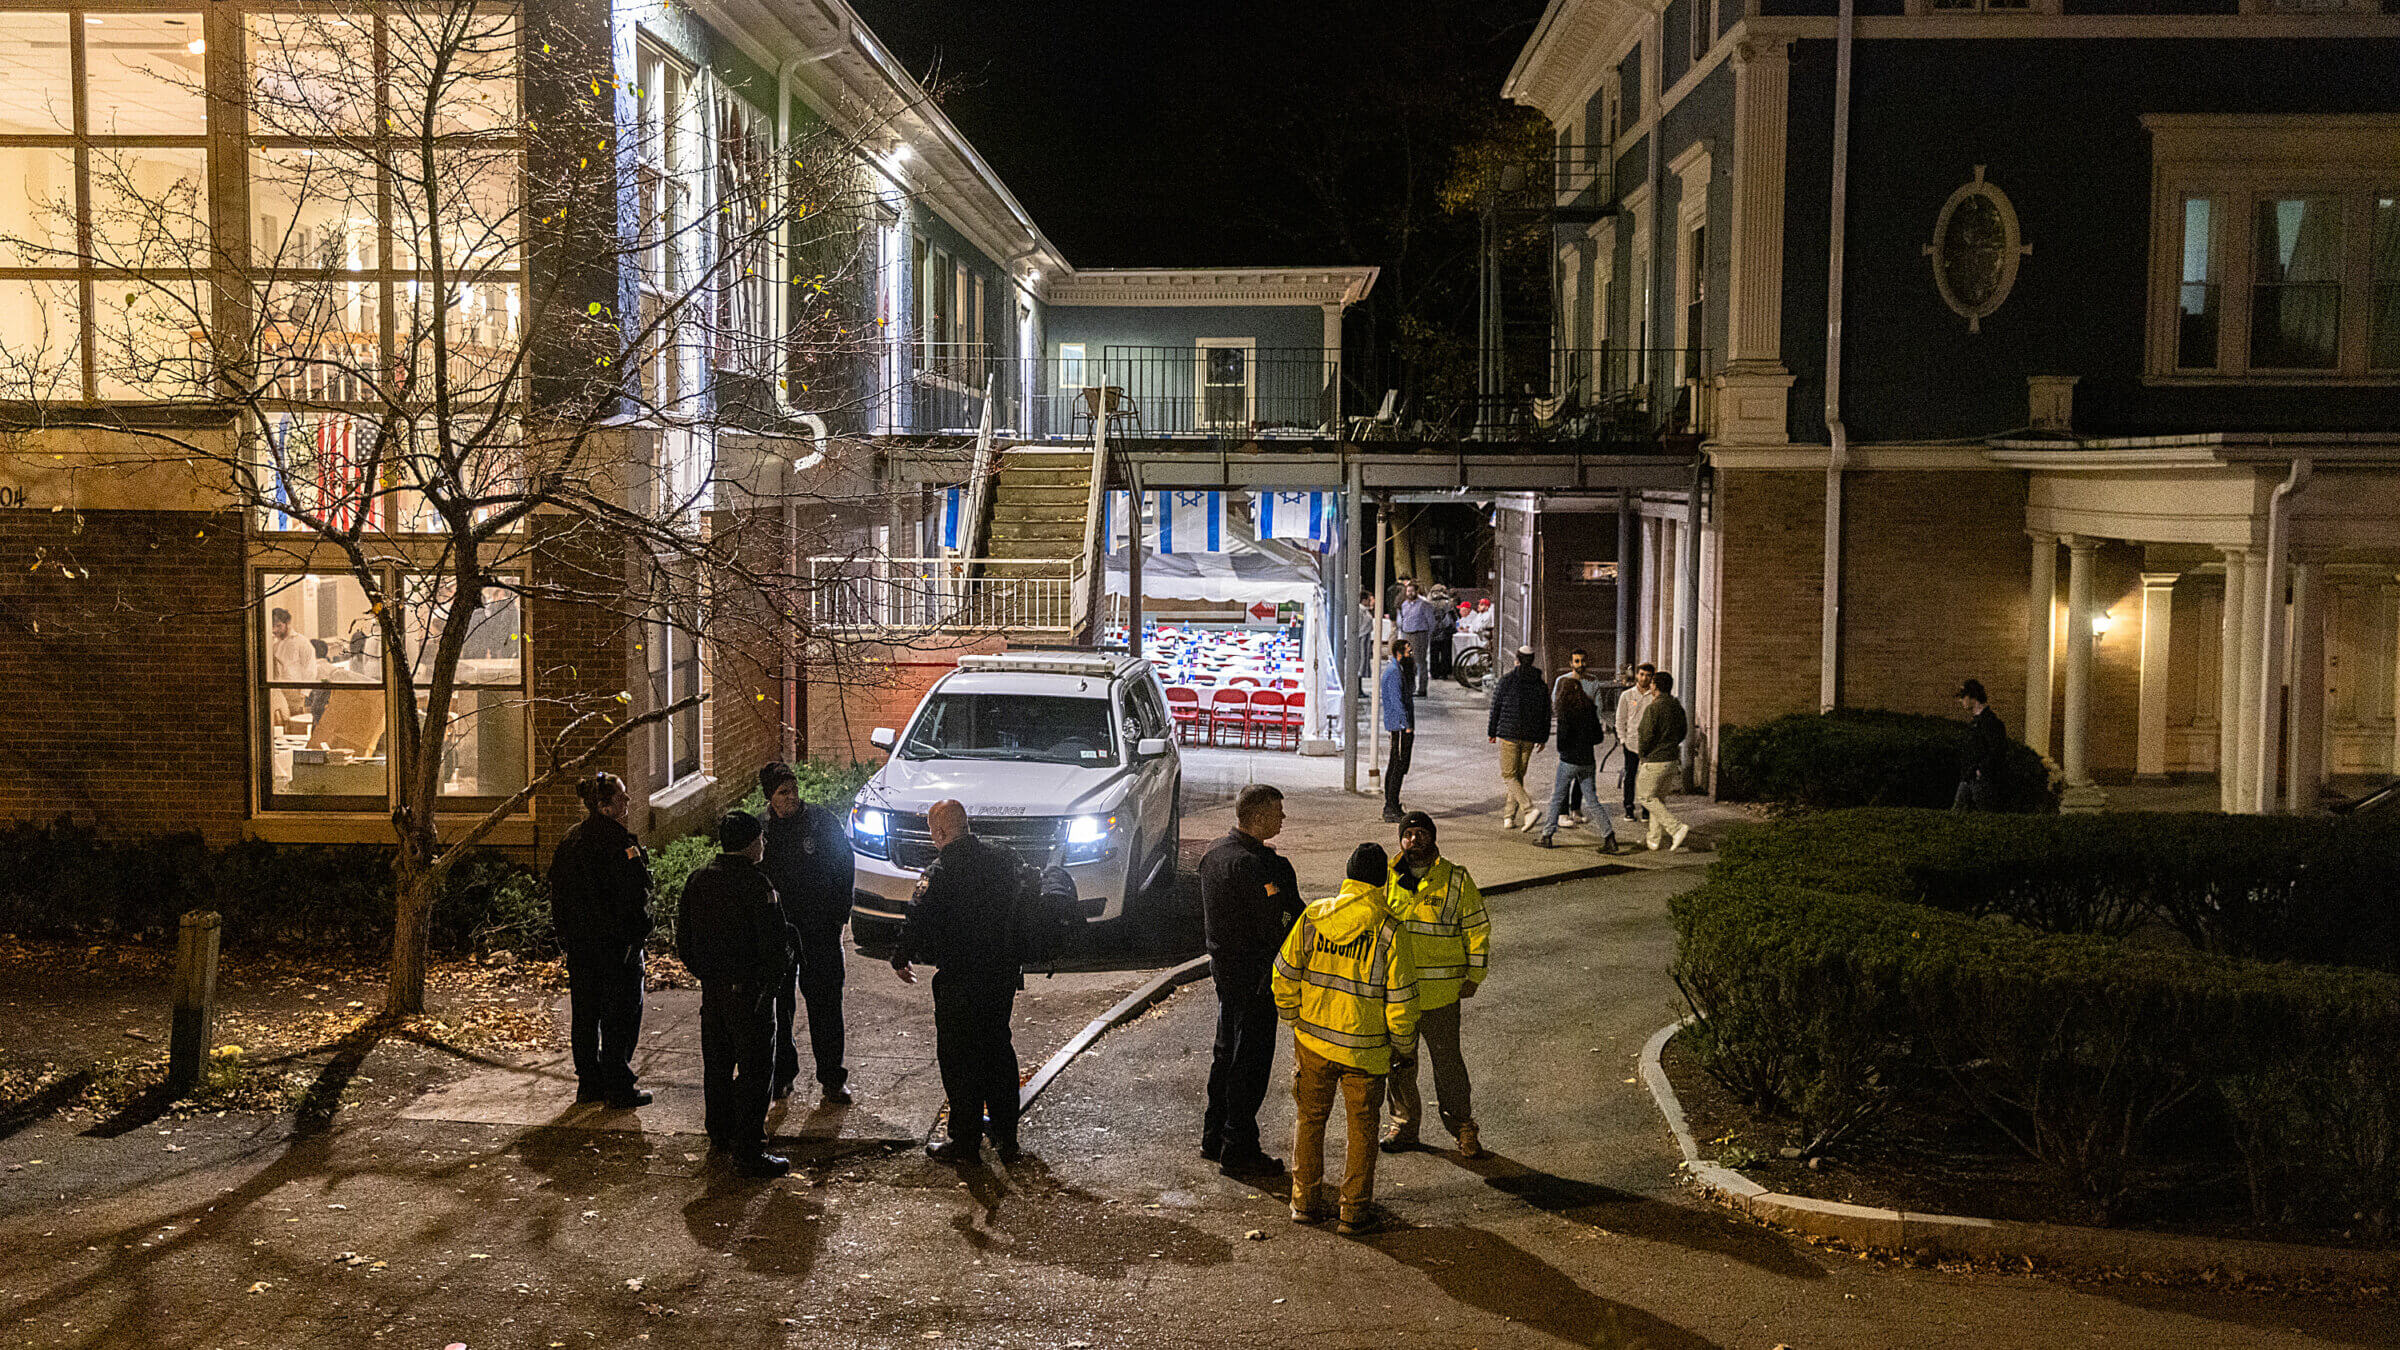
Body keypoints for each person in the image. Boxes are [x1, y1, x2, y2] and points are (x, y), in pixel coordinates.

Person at [1273, 842, 1418, 1235]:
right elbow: (1401, 1003)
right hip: (1365, 1051)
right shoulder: (1390, 930)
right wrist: (1403, 1048)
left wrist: (1293, 1019)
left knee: (1309, 1121)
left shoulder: (1314, 916)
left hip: (1313, 1043)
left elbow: (1284, 973)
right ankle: (1353, 1213)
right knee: (1363, 1130)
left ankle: (1304, 1202)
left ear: (1348, 875)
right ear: (1381, 881)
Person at [893, 799, 1031, 1163]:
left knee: (960, 1059)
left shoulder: (940, 872)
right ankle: (1006, 1135)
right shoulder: (1003, 859)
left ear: (939, 832)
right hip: (1000, 975)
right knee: (999, 1050)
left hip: (959, 981)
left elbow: (916, 918)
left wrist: (900, 955)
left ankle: (965, 1141)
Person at [675, 811, 791, 1178]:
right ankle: (749, 1150)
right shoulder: (758, 886)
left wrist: (707, 975)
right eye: (761, 838)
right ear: (750, 843)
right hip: (750, 995)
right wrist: (771, 981)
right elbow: (773, 944)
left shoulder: (698, 881)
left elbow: (685, 941)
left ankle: (720, 1132)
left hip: (714, 993)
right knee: (756, 1071)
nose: (765, 844)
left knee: (719, 1066)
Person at [1197, 784, 1304, 1176]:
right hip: (1257, 979)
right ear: (1257, 816)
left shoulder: (1213, 855)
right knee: (1250, 1064)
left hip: (1226, 974)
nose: (1283, 818)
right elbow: (1280, 921)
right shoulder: (1253, 866)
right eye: (1278, 810)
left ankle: (1215, 1135)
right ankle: (1239, 1146)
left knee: (1226, 1054)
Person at [1379, 812, 1488, 1159]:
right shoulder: (1386, 878)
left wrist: (1475, 975)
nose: (1413, 840)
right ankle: (1403, 1125)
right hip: (1398, 993)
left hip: (1441, 995)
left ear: (1433, 837)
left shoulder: (1455, 879)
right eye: (1407, 834)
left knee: (1448, 1063)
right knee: (1399, 1063)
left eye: (1420, 833)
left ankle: (1462, 1127)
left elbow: (1477, 928)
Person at [546, 772, 654, 1110]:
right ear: (605, 807)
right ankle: (618, 1084)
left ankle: (588, 1083)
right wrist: (637, 935)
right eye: (622, 797)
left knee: (586, 1015)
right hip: (617, 949)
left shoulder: (571, 841)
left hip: (581, 948)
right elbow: (636, 896)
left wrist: (567, 938)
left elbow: (557, 895)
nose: (628, 802)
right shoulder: (620, 845)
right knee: (620, 1015)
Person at [757, 761, 858, 1105]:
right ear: (769, 797)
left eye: (794, 789)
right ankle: (782, 1075)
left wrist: (838, 916)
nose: (792, 797)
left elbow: (844, 867)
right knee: (780, 1008)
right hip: (779, 934)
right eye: (783, 792)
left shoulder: (820, 822)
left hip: (819, 931)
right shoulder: (762, 830)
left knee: (826, 1005)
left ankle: (832, 1078)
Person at [1541, 680, 1620, 853]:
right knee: (1592, 800)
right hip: (1587, 761)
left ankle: (1547, 835)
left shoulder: (1565, 712)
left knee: (1558, 797)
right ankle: (1609, 837)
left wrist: (1568, 748)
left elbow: (1561, 743)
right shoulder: (1590, 710)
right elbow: (1598, 738)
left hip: (1569, 760)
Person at [1486, 645, 1551, 832]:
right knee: (1518, 776)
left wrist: (1492, 731)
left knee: (1508, 775)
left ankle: (1528, 809)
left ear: (1516, 660)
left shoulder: (1507, 681)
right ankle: (1509, 816)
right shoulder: (1540, 683)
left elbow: (1496, 706)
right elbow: (1546, 712)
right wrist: (1543, 736)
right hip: (1530, 736)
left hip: (1509, 733)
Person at [1636, 670, 1692, 852]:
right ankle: (1653, 840)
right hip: (1672, 759)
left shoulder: (1654, 708)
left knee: (1645, 796)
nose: (1650, 686)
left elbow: (1646, 735)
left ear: (1655, 686)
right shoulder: (1677, 707)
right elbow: (1684, 731)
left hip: (1655, 760)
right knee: (1657, 798)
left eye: (1652, 683)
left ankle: (1676, 828)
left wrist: (1642, 754)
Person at [1550, 649, 1600, 824]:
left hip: (1585, 733)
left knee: (1583, 775)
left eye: (1582, 661)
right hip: (1570, 733)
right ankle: (1562, 813)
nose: (1580, 664)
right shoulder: (1562, 681)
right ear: (1571, 663)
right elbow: (1556, 703)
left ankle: (1575, 809)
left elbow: (1597, 705)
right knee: (1565, 776)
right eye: (1576, 661)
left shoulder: (1593, 682)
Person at [1953, 679, 2009, 811]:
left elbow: (1998, 750)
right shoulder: (1975, 722)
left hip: (1981, 780)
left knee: (1986, 813)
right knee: (1957, 811)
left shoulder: (1990, 722)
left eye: (1963, 697)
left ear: (1973, 697)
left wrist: (1981, 770)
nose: (1961, 701)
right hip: (1969, 776)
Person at [1379, 638, 1416, 823]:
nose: (1411, 654)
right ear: (1399, 652)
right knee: (1398, 765)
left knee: (1397, 763)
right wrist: (1406, 723)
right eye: (1408, 651)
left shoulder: (1397, 670)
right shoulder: (1394, 672)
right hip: (1399, 726)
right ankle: (1391, 805)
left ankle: (1392, 803)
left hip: (1398, 724)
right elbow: (1396, 700)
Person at [1615, 663, 1656, 825]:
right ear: (1637, 675)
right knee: (1630, 777)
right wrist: (1623, 739)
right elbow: (1620, 719)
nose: (1644, 678)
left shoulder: (1654, 696)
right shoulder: (1627, 695)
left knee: (1648, 779)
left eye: (1648, 675)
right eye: (1642, 674)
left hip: (1650, 745)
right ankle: (1629, 808)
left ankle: (1646, 810)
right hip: (1631, 743)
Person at [267, 607, 317, 732]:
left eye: (278, 626)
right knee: (281, 726)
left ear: (287, 623)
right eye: (273, 626)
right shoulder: (275, 644)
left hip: (296, 691)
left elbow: (310, 668)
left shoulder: (301, 642)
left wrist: (303, 693)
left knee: (295, 726)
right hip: (278, 690)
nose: (275, 630)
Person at [1397, 579, 1438, 697]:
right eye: (1408, 591)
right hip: (1407, 633)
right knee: (1408, 662)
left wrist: (1428, 634)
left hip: (1420, 634)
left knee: (1420, 661)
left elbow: (1431, 621)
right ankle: (1410, 687)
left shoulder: (1424, 604)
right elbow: (1402, 618)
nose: (1409, 593)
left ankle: (1422, 688)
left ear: (1416, 591)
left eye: (1411, 591)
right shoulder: (1404, 604)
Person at [1429, 586, 1458, 679]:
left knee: (1434, 653)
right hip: (1445, 631)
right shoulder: (1447, 603)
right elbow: (1454, 616)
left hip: (1433, 630)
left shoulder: (1428, 603)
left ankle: (1434, 672)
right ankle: (1444, 672)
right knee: (1445, 652)